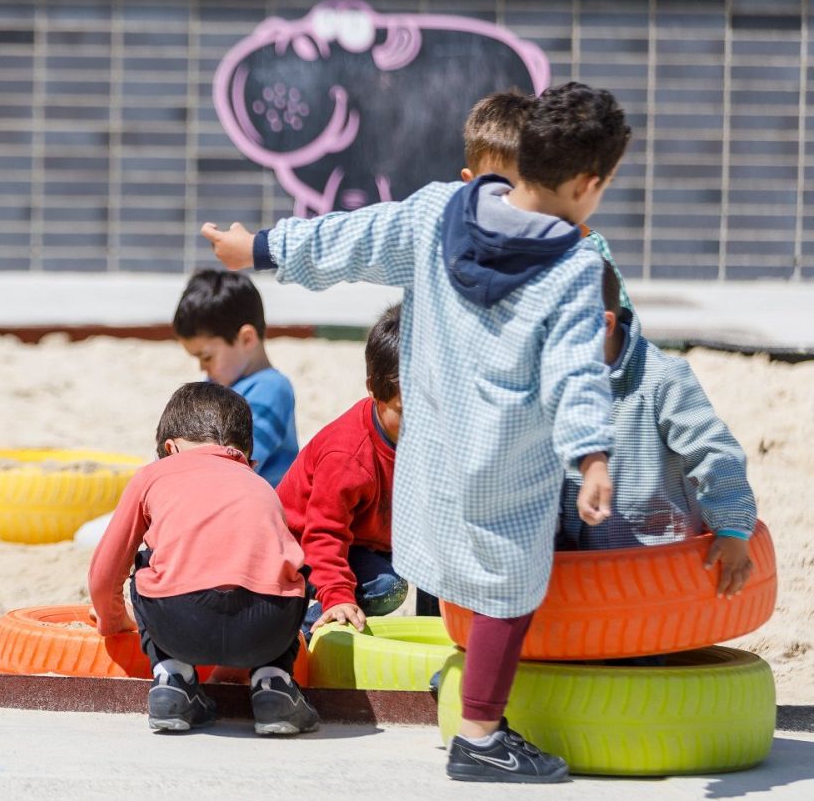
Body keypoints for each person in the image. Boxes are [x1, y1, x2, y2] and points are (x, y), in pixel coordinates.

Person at [200, 82, 629, 783]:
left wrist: (263, 247)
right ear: (588, 184)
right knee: (509, 589)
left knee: (450, 571)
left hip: (426, 456)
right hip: (505, 465)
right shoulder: (574, 265)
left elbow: (353, 236)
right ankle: (481, 735)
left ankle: (450, 673)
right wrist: (592, 456)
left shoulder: (438, 211)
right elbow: (576, 370)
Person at [88, 381, 316, 736]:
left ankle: (172, 680)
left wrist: (112, 622)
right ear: (247, 459)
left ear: (170, 449)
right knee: (288, 570)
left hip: (179, 623)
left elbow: (105, 574)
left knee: (146, 564)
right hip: (268, 628)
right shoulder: (260, 484)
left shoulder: (152, 475)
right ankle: (274, 685)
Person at [559, 263, 758, 581]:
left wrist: (732, 527)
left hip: (658, 553)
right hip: (580, 558)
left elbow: (713, 451)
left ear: (603, 324)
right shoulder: (554, 384)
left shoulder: (662, 379)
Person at [281, 304, 435, 636]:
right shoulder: (348, 455)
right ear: (374, 390)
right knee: (386, 587)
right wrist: (337, 595)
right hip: (302, 548)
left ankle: (435, 631)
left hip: (366, 541)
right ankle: (300, 633)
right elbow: (324, 534)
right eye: (405, 411)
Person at [462, 89, 631, 311]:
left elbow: (621, 317)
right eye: (499, 191)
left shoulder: (585, 246)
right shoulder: (452, 233)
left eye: (523, 188)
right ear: (469, 183)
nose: (513, 203)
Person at [172, 269, 299, 486]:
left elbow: (234, 464)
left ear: (247, 339)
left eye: (207, 357)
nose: (202, 367)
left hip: (251, 499)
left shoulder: (272, 389)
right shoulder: (216, 385)